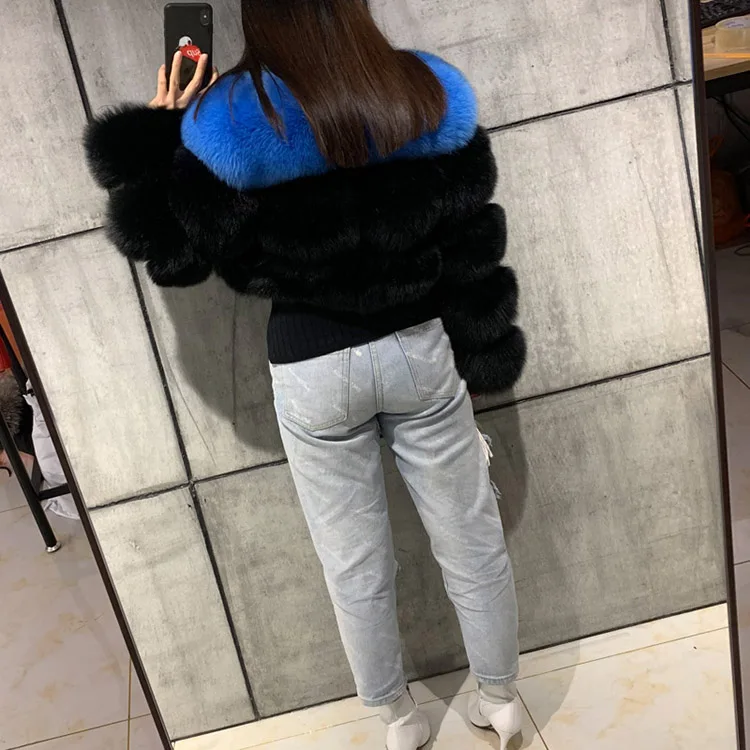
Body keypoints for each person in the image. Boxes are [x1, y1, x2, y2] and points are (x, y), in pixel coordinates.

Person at [85, 2, 525, 748]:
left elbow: (172, 256)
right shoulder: (425, 91)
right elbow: (471, 239)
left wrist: (160, 134)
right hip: (417, 348)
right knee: (471, 538)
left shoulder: (225, 120)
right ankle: (502, 699)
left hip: (310, 363)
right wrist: (483, 352)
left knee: (354, 564)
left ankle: (397, 719)